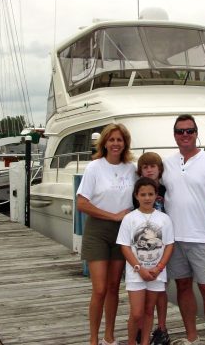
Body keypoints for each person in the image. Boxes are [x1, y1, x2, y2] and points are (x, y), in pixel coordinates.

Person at [162, 114, 205, 345]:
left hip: (203, 238)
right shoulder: (167, 164)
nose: (185, 135)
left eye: (189, 131)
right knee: (182, 286)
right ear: (174, 135)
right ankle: (191, 336)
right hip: (174, 239)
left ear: (196, 133)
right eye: (180, 131)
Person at [77, 123, 137, 345]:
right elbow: (82, 203)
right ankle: (93, 339)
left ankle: (109, 337)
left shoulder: (132, 168)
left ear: (125, 143)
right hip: (98, 230)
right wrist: (112, 216)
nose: (115, 144)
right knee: (100, 288)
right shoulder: (95, 167)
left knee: (114, 287)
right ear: (104, 143)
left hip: (123, 232)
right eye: (111, 140)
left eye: (119, 140)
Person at [117, 177, 174, 345]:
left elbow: (169, 245)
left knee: (149, 310)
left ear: (157, 195)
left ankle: (144, 342)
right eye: (143, 194)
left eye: (150, 194)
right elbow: (125, 246)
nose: (147, 198)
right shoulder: (129, 218)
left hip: (157, 272)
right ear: (136, 196)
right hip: (136, 273)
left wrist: (159, 267)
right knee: (136, 313)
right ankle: (131, 342)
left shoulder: (164, 219)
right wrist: (138, 268)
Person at [133, 152, 171, 345]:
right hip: (143, 250)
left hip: (163, 246)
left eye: (153, 166)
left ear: (159, 169)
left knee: (161, 288)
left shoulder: (165, 189)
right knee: (142, 290)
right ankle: (141, 328)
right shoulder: (139, 191)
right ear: (140, 171)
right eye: (145, 167)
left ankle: (162, 328)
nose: (149, 169)